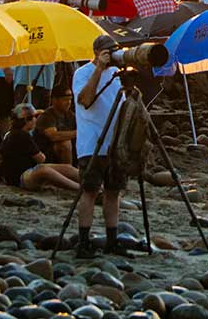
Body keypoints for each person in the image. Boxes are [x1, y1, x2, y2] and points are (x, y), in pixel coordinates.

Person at [73, 35, 130, 257]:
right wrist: (99, 68)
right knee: (89, 191)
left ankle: (112, 240)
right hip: (92, 142)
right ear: (97, 52)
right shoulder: (83, 73)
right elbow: (85, 100)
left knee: (113, 192)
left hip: (114, 144)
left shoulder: (116, 76)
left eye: (114, 51)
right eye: (108, 51)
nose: (112, 55)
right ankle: (84, 241)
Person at [0, 104, 81, 192]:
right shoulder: (22, 136)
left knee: (66, 168)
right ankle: (80, 187)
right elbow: (41, 159)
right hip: (21, 177)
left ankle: (89, 184)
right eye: (34, 117)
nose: (36, 119)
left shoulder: (10, 134)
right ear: (27, 120)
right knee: (44, 170)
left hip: (17, 174)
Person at [35, 89, 76, 165]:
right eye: (65, 100)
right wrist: (78, 133)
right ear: (54, 100)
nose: (69, 103)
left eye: (70, 100)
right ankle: (69, 173)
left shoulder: (70, 115)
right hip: (46, 154)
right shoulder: (47, 116)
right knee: (65, 144)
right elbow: (54, 136)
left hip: (67, 154)